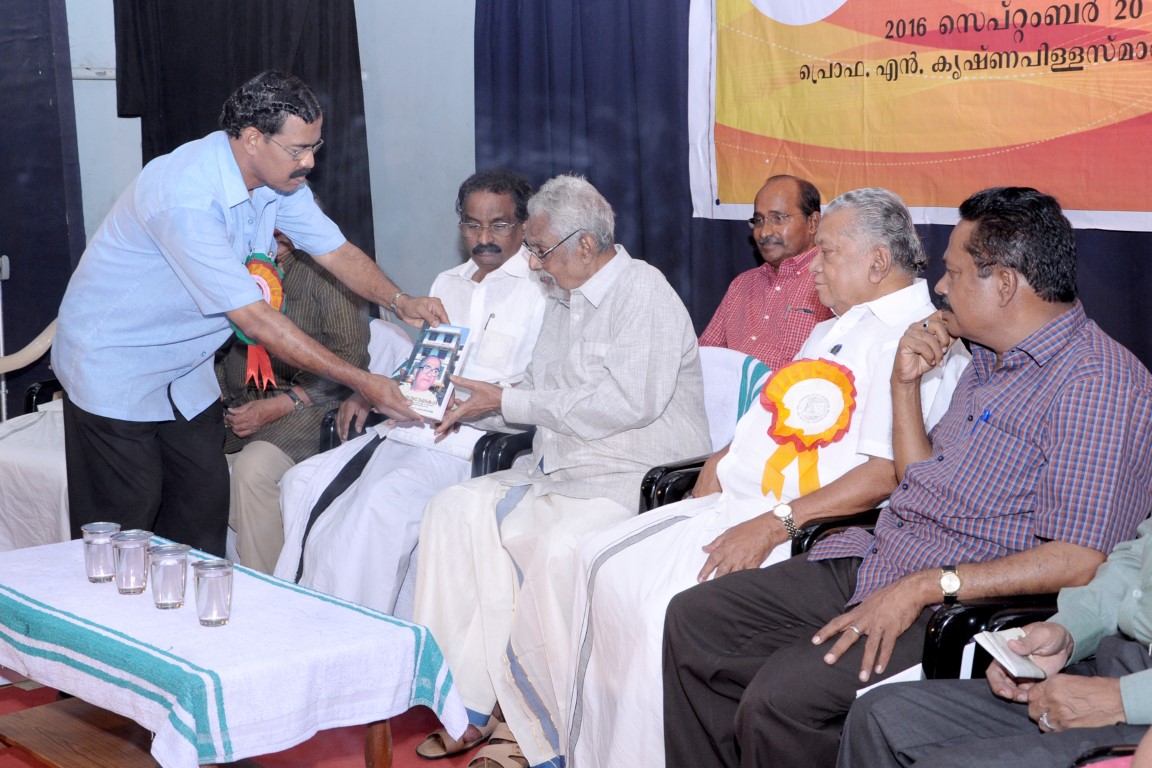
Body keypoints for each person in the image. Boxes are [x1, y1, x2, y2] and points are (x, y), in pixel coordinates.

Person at [661, 187, 1152, 768]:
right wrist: (904, 385)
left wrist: (926, 586)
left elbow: (1080, 559)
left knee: (780, 701)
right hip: (883, 556)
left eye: (954, 273)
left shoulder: (1098, 384)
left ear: (1004, 284)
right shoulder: (987, 358)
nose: (940, 286)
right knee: (695, 621)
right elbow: (920, 480)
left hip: (953, 600)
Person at [564, 188, 970, 768]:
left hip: (803, 528)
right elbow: (780, 414)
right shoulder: (836, 326)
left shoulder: (914, 338)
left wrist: (775, 524)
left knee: (657, 609)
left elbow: (886, 476)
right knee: (598, 563)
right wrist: (724, 455)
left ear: (878, 261)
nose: (814, 266)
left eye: (827, 252)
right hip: (743, 502)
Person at [53, 70, 445, 556]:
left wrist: (400, 301)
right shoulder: (185, 195)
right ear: (254, 139)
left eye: (315, 147)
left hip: (184, 371)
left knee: (201, 506)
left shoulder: (279, 182)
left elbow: (335, 250)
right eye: (298, 150)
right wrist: (364, 382)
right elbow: (255, 319)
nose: (310, 162)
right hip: (116, 364)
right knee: (125, 523)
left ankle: (188, 606)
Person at [412, 175, 711, 768]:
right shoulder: (561, 296)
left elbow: (628, 403)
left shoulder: (642, 291)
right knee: (450, 510)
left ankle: (540, 732)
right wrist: (471, 404)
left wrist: (507, 400)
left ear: (586, 244)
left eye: (539, 249)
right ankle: (467, 704)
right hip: (557, 470)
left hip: (630, 476)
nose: (532, 262)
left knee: (553, 549)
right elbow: (533, 393)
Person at [271, 168, 547, 615]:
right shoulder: (446, 283)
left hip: (477, 441)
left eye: (499, 225)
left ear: (523, 224)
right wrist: (369, 391)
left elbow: (540, 388)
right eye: (472, 225)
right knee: (300, 482)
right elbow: (426, 367)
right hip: (415, 429)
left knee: (379, 504)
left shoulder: (541, 289)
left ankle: (350, 629)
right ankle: (310, 614)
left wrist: (483, 400)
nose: (484, 238)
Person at [839, 517, 1152, 768]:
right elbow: (1133, 565)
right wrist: (1069, 632)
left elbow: (1080, 557)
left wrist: (1124, 698)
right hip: (1119, 659)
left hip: (1141, 704)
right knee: (877, 715)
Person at [218, 229, 369, 574]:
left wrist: (287, 402)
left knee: (253, 469)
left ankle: (268, 590)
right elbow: (217, 349)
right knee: (193, 463)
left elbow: (352, 358)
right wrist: (225, 400)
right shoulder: (236, 267)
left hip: (309, 407)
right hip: (241, 409)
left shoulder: (328, 273)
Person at [698, 175, 833, 369]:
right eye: (759, 220)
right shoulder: (742, 284)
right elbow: (705, 357)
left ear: (813, 223)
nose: (764, 232)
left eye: (778, 218)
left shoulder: (832, 280)